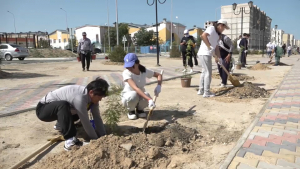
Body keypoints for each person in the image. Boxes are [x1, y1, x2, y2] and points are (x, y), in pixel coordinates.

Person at [36, 78, 109, 151]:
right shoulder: (80, 98)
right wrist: (96, 141)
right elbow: (86, 122)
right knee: (64, 105)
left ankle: (60, 125)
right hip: (43, 110)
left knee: (78, 112)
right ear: (91, 92)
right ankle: (69, 141)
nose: (100, 99)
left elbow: (97, 118)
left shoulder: (92, 99)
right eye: (100, 97)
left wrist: (104, 136)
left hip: (58, 110)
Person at [121, 53, 163, 120]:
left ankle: (140, 110)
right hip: (129, 96)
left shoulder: (144, 71)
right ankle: (131, 111)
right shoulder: (126, 73)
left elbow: (159, 75)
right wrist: (149, 99)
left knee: (146, 94)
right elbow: (135, 88)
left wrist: (159, 86)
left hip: (140, 94)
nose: (128, 68)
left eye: (131, 66)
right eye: (127, 66)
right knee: (133, 95)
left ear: (137, 63)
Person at [197, 19, 229, 98]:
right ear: (221, 25)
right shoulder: (211, 28)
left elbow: (217, 47)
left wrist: (219, 58)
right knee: (208, 72)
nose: (223, 30)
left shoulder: (218, 35)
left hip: (206, 54)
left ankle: (201, 90)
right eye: (224, 28)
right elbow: (203, 36)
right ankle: (206, 92)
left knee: (204, 71)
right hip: (205, 53)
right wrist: (209, 46)